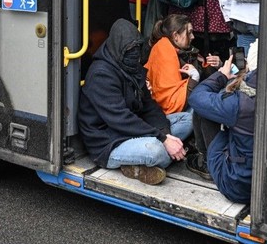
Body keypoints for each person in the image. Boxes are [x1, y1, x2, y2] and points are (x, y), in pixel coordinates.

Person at [78, 19, 192, 185]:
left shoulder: (132, 67)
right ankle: (155, 158)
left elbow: (149, 106)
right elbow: (120, 118)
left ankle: (143, 163)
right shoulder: (100, 74)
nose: (135, 54)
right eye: (129, 50)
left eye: (137, 48)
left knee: (187, 120)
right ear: (118, 47)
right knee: (156, 150)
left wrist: (165, 133)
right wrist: (162, 139)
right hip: (108, 141)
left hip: (135, 128)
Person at [187, 46, 257, 203]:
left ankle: (206, 163)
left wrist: (221, 75)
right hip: (265, 182)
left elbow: (197, 97)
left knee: (203, 110)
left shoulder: (240, 103)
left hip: (238, 186)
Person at [144, 14, 220, 115]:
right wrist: (194, 79)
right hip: (166, 114)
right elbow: (171, 102)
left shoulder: (184, 49)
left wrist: (216, 66)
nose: (193, 37)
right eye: (189, 33)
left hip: (180, 105)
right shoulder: (164, 50)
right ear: (175, 36)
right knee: (199, 112)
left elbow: (203, 76)